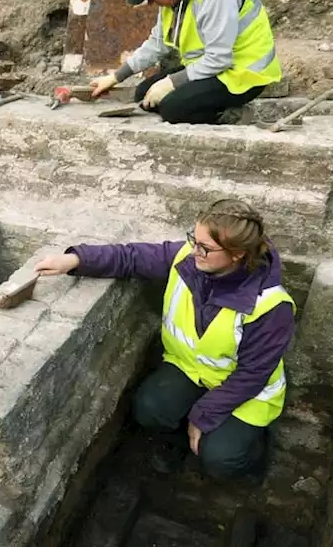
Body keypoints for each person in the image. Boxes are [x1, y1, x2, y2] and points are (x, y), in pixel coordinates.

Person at [35, 199, 295, 479]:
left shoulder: (270, 307)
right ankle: (183, 444)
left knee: (221, 459)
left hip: (246, 390)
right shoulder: (188, 259)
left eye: (205, 247)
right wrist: (74, 260)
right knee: (150, 408)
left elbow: (252, 376)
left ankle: (252, 455)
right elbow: (131, 257)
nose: (194, 250)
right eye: (193, 239)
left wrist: (201, 416)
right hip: (191, 370)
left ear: (237, 255)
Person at [89, 0, 282, 126]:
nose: (150, 1)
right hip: (212, 69)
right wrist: (116, 77)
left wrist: (172, 83)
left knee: (173, 109)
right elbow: (157, 43)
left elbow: (219, 59)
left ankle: (233, 114)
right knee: (144, 94)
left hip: (243, 74)